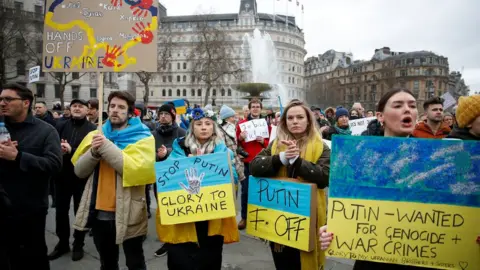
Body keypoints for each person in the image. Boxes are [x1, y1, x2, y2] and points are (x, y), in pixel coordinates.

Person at [318, 88, 478, 270]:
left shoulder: (439, 157)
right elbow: (349, 208)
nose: (407, 109)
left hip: (424, 256)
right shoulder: (358, 155)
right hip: (372, 257)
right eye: (398, 105)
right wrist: (333, 230)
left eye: (412, 105)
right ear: (380, 116)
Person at [71, 91, 156, 270]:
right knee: (107, 263)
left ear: (130, 112)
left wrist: (105, 146)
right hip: (100, 212)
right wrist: (93, 152)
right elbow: (79, 171)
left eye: (121, 107)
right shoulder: (97, 134)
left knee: (135, 262)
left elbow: (133, 170)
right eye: (112, 106)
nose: (115, 110)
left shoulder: (143, 137)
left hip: (129, 212)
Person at [249, 100, 330, 270]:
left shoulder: (322, 147)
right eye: (290, 118)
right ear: (284, 122)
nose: (295, 121)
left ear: (308, 120)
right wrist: (281, 158)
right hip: (279, 218)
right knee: (284, 263)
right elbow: (255, 167)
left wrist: (298, 162)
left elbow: (324, 178)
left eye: (300, 117)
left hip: (309, 219)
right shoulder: (275, 145)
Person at [157, 107, 239, 270]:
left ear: (213, 128)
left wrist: (208, 166)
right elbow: (169, 178)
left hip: (211, 215)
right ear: (192, 128)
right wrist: (188, 164)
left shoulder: (223, 151)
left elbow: (233, 179)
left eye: (208, 124)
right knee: (180, 259)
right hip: (183, 215)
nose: (203, 127)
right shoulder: (180, 147)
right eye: (199, 124)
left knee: (209, 259)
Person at [0, 83, 63, 270]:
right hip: (1, 207)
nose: (2, 103)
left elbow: (54, 165)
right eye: (1, 99)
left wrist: (18, 156)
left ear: (26, 102)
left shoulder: (46, 131)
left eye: (8, 99)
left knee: (33, 258)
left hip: (30, 209)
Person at [48, 99, 96, 262]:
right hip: (61, 176)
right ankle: (62, 243)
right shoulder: (60, 125)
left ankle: (78, 244)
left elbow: (93, 154)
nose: (76, 108)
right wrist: (59, 150)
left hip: (81, 177)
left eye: (80, 106)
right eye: (74, 106)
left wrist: (72, 150)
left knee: (79, 212)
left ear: (87, 110)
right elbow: (51, 144)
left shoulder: (93, 129)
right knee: (60, 212)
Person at [152, 103, 187, 258]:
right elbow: (146, 155)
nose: (163, 117)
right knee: (164, 209)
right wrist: (157, 156)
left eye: (166, 114)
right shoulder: (153, 134)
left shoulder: (182, 132)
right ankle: (168, 240)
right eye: (161, 114)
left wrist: (168, 153)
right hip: (159, 177)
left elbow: (187, 153)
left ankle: (180, 239)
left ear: (172, 116)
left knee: (178, 208)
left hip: (178, 177)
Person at [236, 98, 270, 230]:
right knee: (246, 191)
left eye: (257, 106)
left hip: (262, 161)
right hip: (247, 161)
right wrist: (240, 138)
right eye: (253, 106)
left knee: (262, 189)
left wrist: (263, 142)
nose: (255, 108)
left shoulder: (266, 124)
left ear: (261, 109)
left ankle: (261, 217)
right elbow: (237, 144)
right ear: (249, 109)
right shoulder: (241, 124)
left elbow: (270, 144)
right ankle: (244, 217)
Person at [219, 104, 246, 185]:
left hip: (236, 162)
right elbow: (223, 149)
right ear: (227, 118)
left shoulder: (231, 128)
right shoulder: (221, 131)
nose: (235, 119)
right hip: (229, 164)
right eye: (232, 117)